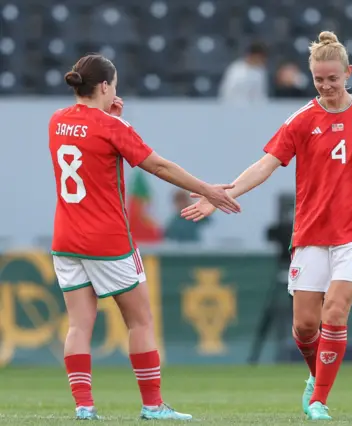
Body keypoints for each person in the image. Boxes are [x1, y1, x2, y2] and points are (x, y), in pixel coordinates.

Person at [182, 31, 352, 421]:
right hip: (311, 233)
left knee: (334, 313)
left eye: (333, 78)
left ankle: (319, 400)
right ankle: (316, 379)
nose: (326, 85)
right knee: (305, 327)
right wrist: (221, 194)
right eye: (319, 79)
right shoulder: (302, 120)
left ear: (348, 72)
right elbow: (266, 164)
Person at [49, 53, 241, 421]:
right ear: (104, 86)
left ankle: (84, 407)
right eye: (114, 86)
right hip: (108, 240)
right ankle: (153, 404)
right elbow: (159, 165)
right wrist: (207, 190)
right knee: (140, 321)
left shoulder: (56, 122)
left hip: (66, 239)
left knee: (78, 325)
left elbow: (90, 145)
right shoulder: (113, 128)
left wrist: (111, 117)